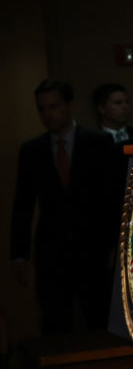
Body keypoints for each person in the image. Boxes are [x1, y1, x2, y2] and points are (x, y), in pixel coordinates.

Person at [10, 80, 123, 334]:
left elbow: (113, 197)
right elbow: (23, 204)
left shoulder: (99, 143)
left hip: (94, 250)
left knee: (99, 321)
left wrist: (115, 243)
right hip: (51, 252)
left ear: (70, 106)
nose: (48, 115)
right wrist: (19, 254)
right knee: (55, 323)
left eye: (54, 107)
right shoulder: (32, 151)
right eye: (42, 109)